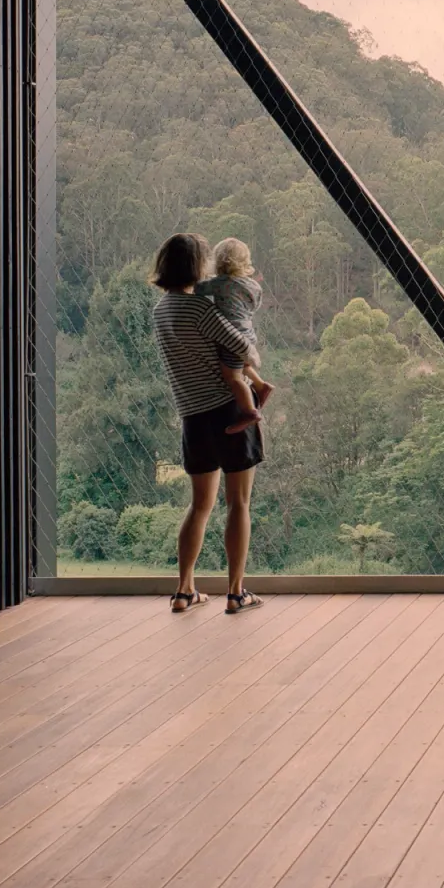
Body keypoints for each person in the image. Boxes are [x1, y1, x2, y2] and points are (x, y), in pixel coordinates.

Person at [149, 232, 265, 615]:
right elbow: (241, 345)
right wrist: (253, 367)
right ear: (196, 267)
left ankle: (184, 591)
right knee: (239, 503)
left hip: (193, 416)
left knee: (199, 506)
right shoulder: (200, 309)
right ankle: (236, 592)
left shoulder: (161, 312)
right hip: (229, 411)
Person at [199, 237, 274, 423]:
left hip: (232, 336)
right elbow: (255, 305)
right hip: (248, 333)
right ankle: (261, 385)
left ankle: (249, 412)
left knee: (232, 376)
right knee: (242, 363)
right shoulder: (252, 285)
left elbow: (197, 289)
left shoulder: (220, 283)